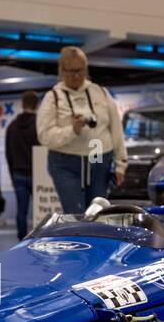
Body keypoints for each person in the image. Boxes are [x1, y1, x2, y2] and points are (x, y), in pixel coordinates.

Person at [36, 47, 126, 213]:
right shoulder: (52, 97)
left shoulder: (100, 92)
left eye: (80, 70)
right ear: (62, 71)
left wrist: (121, 164)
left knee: (98, 212)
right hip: (65, 161)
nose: (76, 76)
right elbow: (44, 136)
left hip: (98, 155)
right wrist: (72, 130)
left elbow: (116, 129)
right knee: (75, 213)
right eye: (71, 71)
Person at [4, 90, 40, 238]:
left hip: (18, 174)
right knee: (41, 209)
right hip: (37, 175)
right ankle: (41, 239)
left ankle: (22, 239)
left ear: (22, 104)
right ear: (37, 105)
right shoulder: (39, 125)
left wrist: (12, 174)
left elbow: (8, 154)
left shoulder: (12, 126)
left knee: (21, 211)